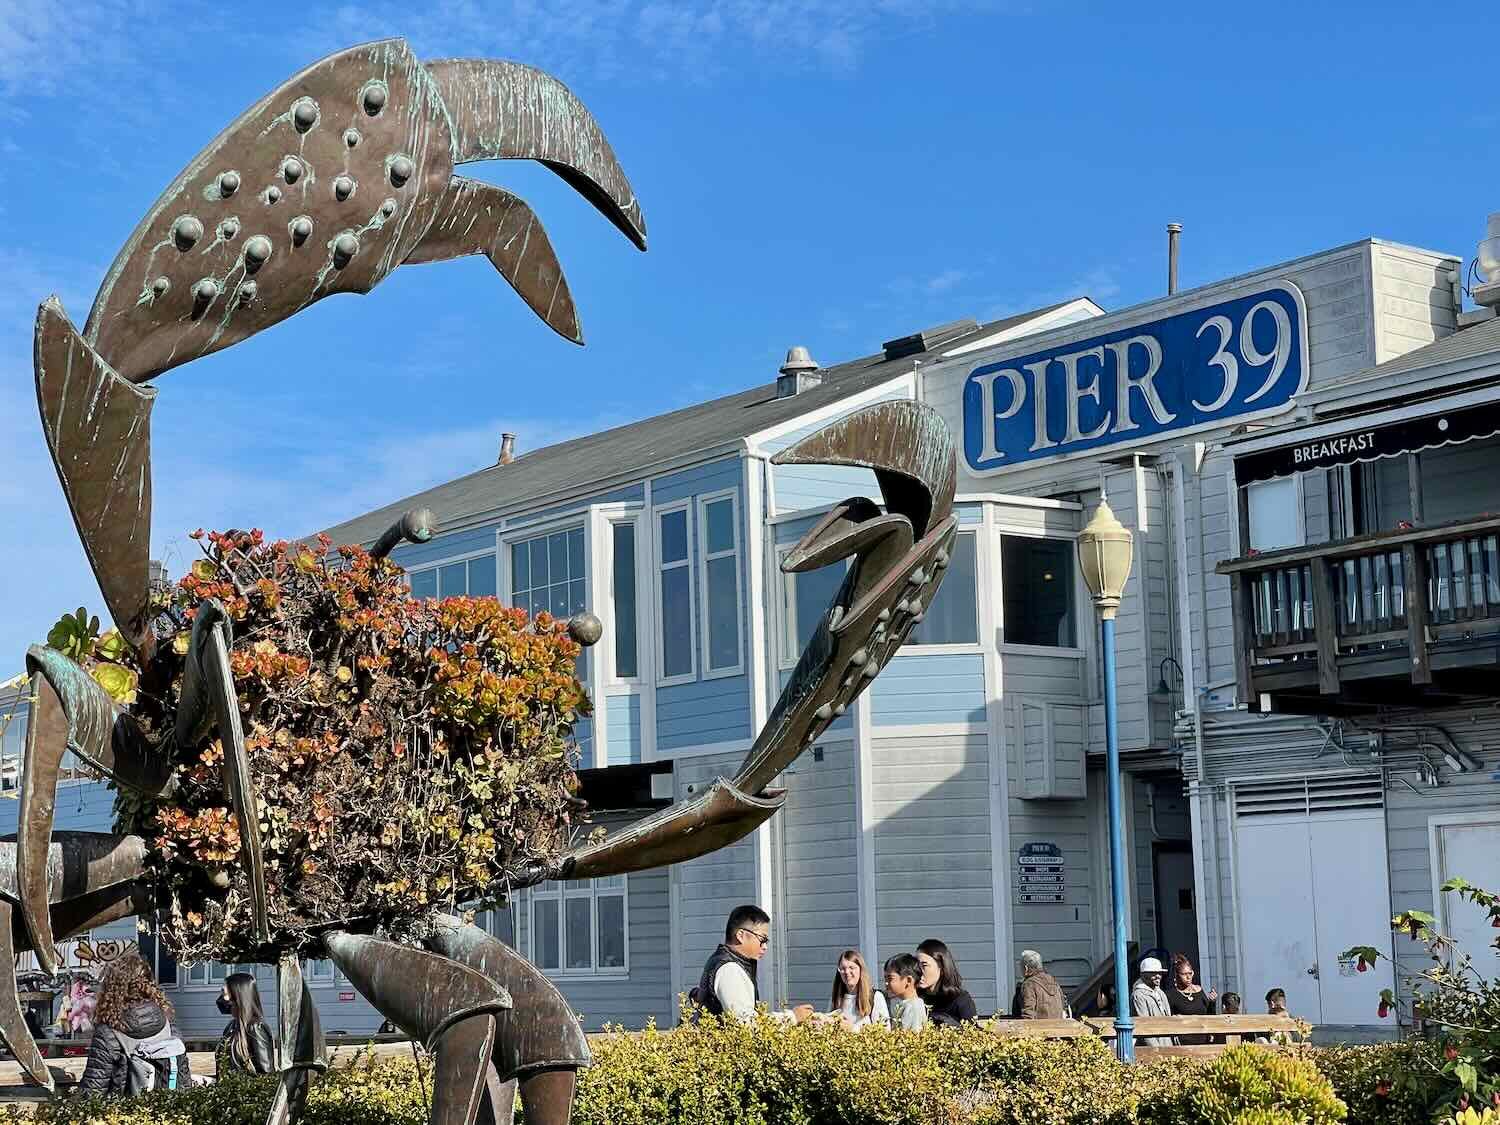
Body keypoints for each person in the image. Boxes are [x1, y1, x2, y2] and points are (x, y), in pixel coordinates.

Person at [76, 952, 191, 1095]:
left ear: (111, 988)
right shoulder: (168, 1024)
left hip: (125, 1114)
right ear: (149, 984)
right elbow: (184, 1080)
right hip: (167, 1110)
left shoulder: (108, 1032)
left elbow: (93, 1090)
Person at [692, 905, 813, 1024]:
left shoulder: (726, 962)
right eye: (762, 939)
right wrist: (792, 1017)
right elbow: (746, 1022)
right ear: (740, 935)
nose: (765, 947)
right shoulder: (729, 969)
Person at [217, 971, 275, 1075]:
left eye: (225, 993)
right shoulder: (232, 1026)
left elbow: (266, 1071)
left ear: (237, 994)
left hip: (247, 1090)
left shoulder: (256, 1027)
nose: (222, 999)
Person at [915, 939, 977, 1027]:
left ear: (942, 967)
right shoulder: (915, 998)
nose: (918, 971)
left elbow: (974, 1034)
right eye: (916, 966)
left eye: (924, 965)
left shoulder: (960, 1000)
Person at [1164, 953, 1216, 1044]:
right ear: (1176, 975)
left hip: (1204, 1040)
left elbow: (1210, 1015)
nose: (1188, 977)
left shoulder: (1199, 991)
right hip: (1183, 1042)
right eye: (1184, 974)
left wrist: (1212, 1002)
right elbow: (1168, 1020)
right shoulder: (1171, 995)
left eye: (1190, 973)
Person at [830, 950, 888, 1030]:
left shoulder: (875, 997)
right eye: (842, 968)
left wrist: (852, 1029)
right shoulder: (837, 997)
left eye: (851, 968)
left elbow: (884, 1032)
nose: (847, 972)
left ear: (861, 970)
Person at [1129, 956, 1175, 1047]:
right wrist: (1155, 1049)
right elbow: (1143, 1025)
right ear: (1143, 974)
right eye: (1153, 973)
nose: (1158, 976)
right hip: (1151, 1047)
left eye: (1160, 973)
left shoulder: (1160, 993)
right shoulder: (1138, 995)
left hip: (1167, 1042)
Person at [1016, 950, 1066, 1020]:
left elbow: (1028, 1015)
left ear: (1026, 968)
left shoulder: (1029, 984)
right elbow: (1063, 1009)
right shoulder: (1054, 981)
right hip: (1059, 1029)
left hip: (1039, 1030)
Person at [883, 954, 928, 1031]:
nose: (886, 983)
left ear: (908, 981)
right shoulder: (906, 1004)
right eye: (885, 979)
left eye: (890, 978)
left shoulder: (914, 1007)